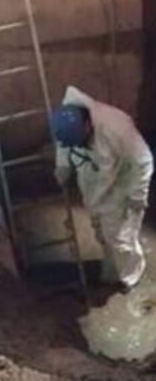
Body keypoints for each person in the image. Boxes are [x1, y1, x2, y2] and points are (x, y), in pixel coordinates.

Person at [52, 86, 153, 292]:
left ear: (88, 125)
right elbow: (63, 145)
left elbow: (144, 161)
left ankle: (131, 274)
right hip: (94, 181)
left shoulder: (116, 126)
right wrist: (62, 166)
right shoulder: (67, 121)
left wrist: (137, 195)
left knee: (121, 238)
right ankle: (112, 270)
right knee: (102, 232)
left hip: (122, 184)